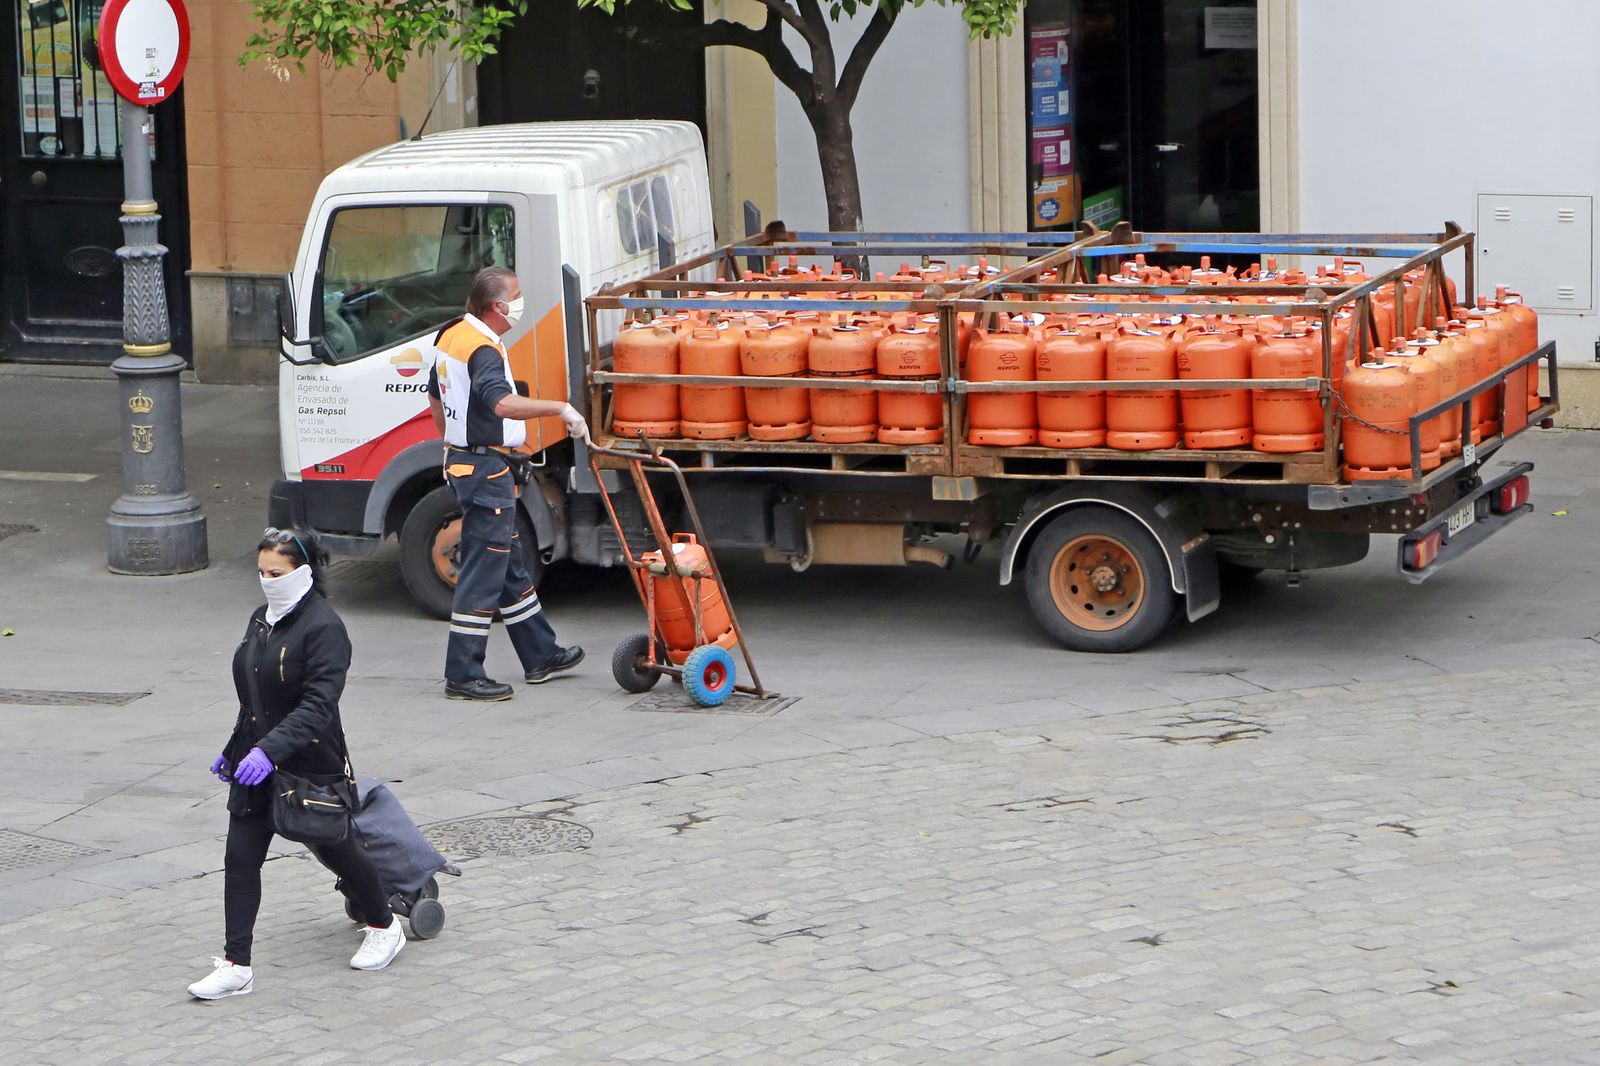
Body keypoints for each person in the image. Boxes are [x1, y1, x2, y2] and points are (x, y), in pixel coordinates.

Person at [187, 528, 404, 1000]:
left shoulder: (324, 628)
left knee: (340, 847)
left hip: (309, 763)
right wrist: (236, 749)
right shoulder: (259, 620)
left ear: (304, 572)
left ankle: (385, 925)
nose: (268, 582)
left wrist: (270, 751)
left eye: (277, 573)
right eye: (262, 572)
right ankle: (235, 964)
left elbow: (318, 705)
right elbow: (253, 698)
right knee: (240, 860)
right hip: (256, 763)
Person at [426, 265, 588, 702]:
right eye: (515, 295)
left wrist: (452, 442)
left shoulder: (452, 335)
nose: (520, 301)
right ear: (498, 307)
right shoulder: (482, 349)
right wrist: (560, 408)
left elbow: (436, 398)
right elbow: (501, 403)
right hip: (486, 471)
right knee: (484, 568)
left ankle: (540, 655)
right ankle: (463, 674)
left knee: (509, 563)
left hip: (467, 464)